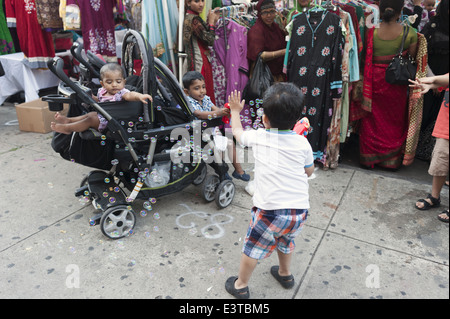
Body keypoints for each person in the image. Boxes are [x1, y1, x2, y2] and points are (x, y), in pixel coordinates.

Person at [225, 83, 314, 299]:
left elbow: (237, 132)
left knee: (253, 248)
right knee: (285, 241)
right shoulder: (303, 143)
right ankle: (285, 274)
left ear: (265, 119)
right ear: (298, 119)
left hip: (270, 211)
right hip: (298, 212)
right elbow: (309, 172)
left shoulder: (259, 136)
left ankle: (240, 285)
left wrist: (235, 111)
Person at [359, 0, 418, 170]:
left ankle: (368, 157)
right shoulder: (410, 32)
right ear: (400, 12)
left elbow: (363, 56)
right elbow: (412, 60)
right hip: (395, 82)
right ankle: (390, 161)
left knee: (371, 119)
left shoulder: (370, 31)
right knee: (393, 120)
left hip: (372, 81)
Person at [182, 71, 250, 181]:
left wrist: (225, 111)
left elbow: (216, 109)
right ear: (186, 91)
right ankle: (222, 172)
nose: (202, 91)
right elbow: (199, 114)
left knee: (228, 143)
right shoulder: (189, 102)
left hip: (210, 135)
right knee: (222, 146)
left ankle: (238, 171)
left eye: (203, 87)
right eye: (197, 88)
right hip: (198, 139)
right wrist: (218, 113)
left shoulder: (206, 99)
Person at [51, 63, 152, 135]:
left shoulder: (122, 93)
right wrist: (91, 98)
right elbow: (99, 101)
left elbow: (131, 95)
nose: (114, 85)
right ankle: (68, 120)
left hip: (110, 123)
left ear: (124, 82)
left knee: (89, 119)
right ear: (102, 84)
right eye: (109, 82)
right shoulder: (102, 91)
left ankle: (68, 128)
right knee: (90, 114)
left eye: (118, 81)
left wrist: (140, 96)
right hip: (103, 115)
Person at [410, 74, 449, 223]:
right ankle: (434, 196)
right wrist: (432, 84)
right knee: (440, 163)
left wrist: (433, 80)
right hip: (446, 126)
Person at [416, 0, 449, 161]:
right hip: (429, 78)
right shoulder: (432, 26)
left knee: (440, 119)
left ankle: (434, 153)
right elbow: (422, 53)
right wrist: (432, 81)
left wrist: (443, 83)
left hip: (447, 82)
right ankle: (418, 150)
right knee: (425, 114)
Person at [182, 0, 220, 105]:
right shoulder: (193, 19)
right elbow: (209, 40)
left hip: (199, 58)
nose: (201, 4)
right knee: (201, 91)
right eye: (197, 1)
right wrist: (211, 24)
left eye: (203, 1)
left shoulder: (193, 17)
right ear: (188, 3)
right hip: (199, 61)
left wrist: (210, 22)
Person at [247, 0, 287, 83]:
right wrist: (283, 52)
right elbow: (259, 56)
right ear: (259, 14)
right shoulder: (256, 30)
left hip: (278, 76)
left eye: (272, 11)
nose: (269, 15)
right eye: (265, 12)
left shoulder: (275, 27)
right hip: (265, 79)